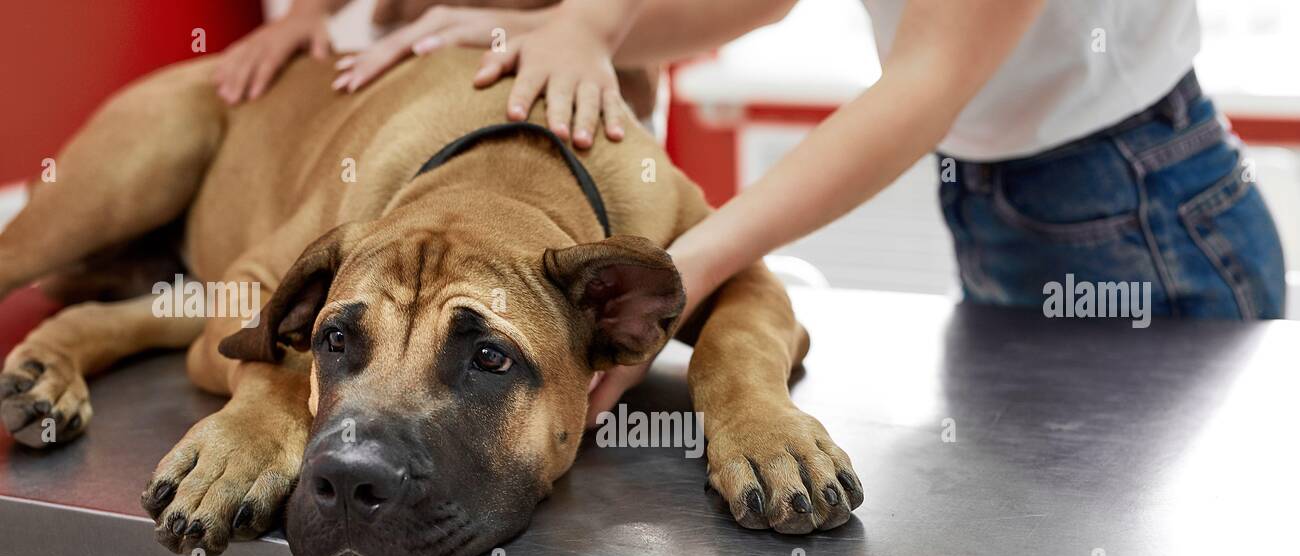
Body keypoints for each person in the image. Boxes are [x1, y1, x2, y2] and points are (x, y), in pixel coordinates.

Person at [220, 0, 1290, 425]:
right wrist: (554, 29)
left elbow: (920, 89)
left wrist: (678, 271)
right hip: (1015, 198)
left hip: (1143, 206)